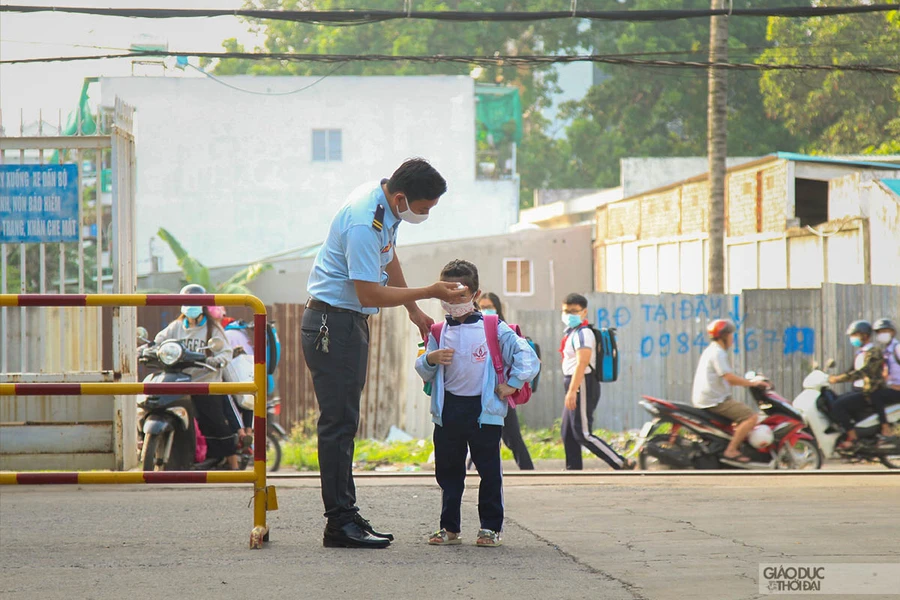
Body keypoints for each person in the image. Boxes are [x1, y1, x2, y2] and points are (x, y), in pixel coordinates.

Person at [302, 158, 470, 549]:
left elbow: (387, 255)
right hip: (333, 323)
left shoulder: (382, 206)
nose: (425, 215)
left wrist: (413, 310)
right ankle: (338, 523)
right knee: (338, 425)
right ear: (400, 197)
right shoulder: (365, 220)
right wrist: (428, 292)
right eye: (424, 208)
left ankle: (346, 515)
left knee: (345, 422)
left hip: (346, 321)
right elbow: (369, 293)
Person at [416, 260, 540, 547]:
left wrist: (512, 385)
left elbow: (527, 357)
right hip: (448, 413)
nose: (454, 302)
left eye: (461, 294)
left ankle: (490, 528)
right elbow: (423, 369)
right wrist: (430, 359)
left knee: (489, 472)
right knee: (448, 473)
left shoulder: (493, 327)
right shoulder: (437, 331)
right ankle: (449, 528)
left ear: (475, 293)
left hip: (484, 412)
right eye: (447, 296)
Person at [154, 284, 241, 469]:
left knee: (215, 423)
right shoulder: (176, 327)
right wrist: (148, 350)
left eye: (194, 303)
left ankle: (233, 465)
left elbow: (226, 353)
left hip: (206, 383)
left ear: (203, 305)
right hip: (180, 382)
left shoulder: (213, 329)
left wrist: (215, 361)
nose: (190, 306)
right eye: (186, 302)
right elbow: (159, 342)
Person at [559, 293, 634, 470]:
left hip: (582, 382)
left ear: (584, 312)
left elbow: (582, 362)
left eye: (574, 311)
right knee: (567, 431)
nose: (569, 315)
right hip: (574, 381)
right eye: (566, 311)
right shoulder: (572, 333)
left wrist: (572, 390)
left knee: (583, 433)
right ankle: (573, 469)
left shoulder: (584, 334)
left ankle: (621, 462)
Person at [690, 318, 767, 464]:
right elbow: (729, 378)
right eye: (731, 335)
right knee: (751, 417)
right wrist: (753, 383)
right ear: (724, 336)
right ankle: (731, 450)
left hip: (710, 398)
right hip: (714, 400)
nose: (733, 338)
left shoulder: (711, 350)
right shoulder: (718, 353)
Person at [476, 292, 535, 470]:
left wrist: (513, 385)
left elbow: (527, 359)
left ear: (498, 309)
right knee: (478, 436)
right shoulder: (476, 329)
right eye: (482, 307)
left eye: (489, 307)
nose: (485, 311)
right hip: (480, 391)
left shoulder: (504, 331)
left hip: (500, 392)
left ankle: (528, 471)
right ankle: (472, 473)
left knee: (512, 437)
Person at [829, 320, 890, 448]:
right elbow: (850, 371)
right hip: (857, 390)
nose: (853, 339)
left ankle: (853, 439)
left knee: (838, 406)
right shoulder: (860, 352)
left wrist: (838, 379)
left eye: (855, 335)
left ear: (865, 335)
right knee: (834, 401)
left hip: (868, 392)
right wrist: (831, 377)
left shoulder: (874, 352)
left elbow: (863, 372)